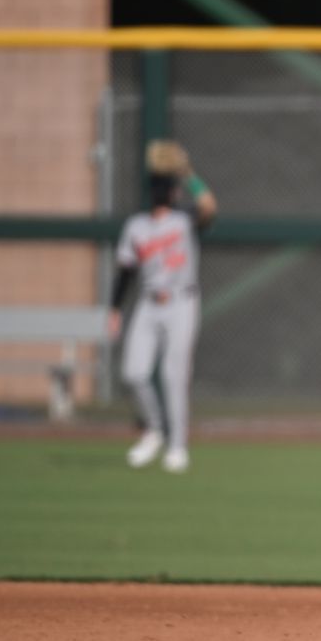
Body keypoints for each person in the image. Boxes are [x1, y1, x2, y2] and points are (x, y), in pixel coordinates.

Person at [109, 140, 217, 473]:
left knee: (174, 376)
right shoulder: (136, 226)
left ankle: (178, 446)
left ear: (173, 191)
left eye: (165, 187)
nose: (163, 192)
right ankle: (155, 429)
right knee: (133, 373)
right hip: (148, 302)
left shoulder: (184, 219)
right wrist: (114, 309)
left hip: (182, 301)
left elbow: (209, 206)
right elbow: (126, 270)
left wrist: (187, 174)